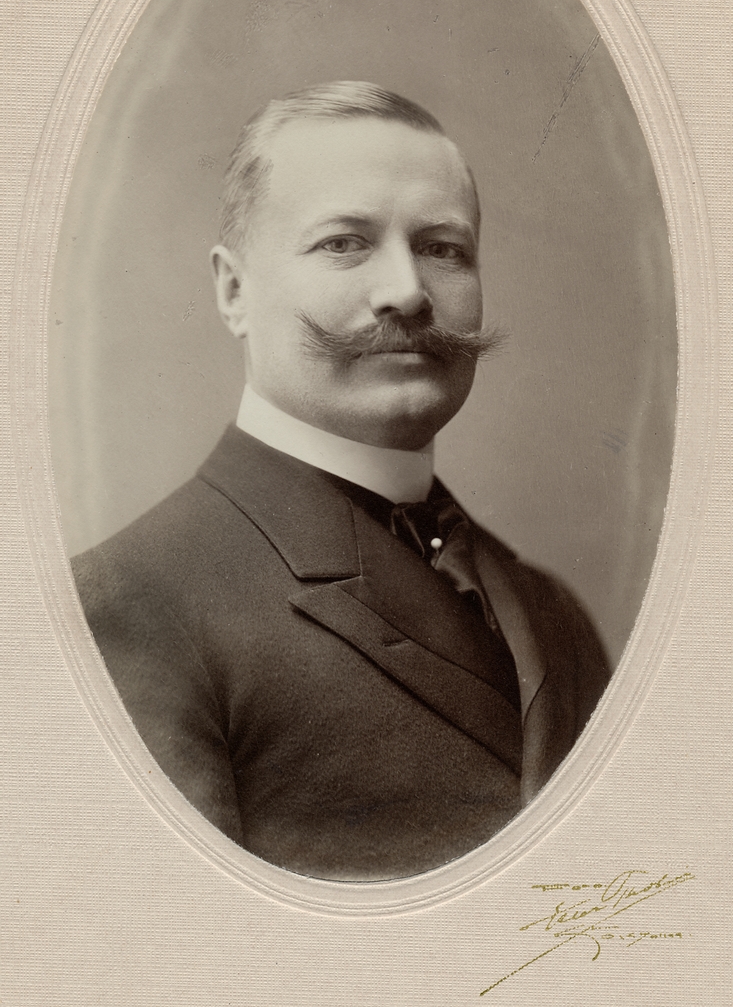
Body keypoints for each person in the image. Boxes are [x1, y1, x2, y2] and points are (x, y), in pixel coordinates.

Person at [72, 81, 609, 881]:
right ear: (233, 290)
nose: (408, 292)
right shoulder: (123, 607)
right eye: (344, 243)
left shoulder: (550, 610)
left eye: (443, 248)